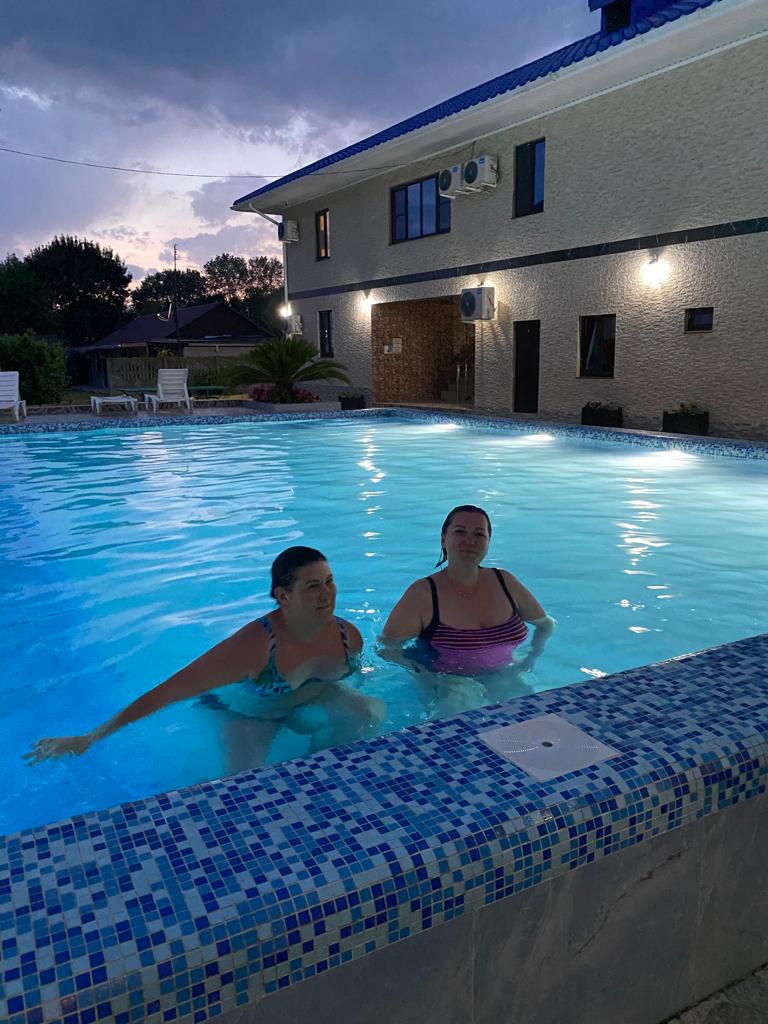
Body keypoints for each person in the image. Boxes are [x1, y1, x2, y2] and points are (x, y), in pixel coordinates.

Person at [24, 546, 384, 770]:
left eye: (329, 581)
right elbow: (169, 691)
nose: (327, 594)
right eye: (312, 586)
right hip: (248, 712)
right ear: (283, 596)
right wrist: (88, 739)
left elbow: (353, 674)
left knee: (367, 711)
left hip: (305, 700)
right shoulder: (255, 646)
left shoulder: (346, 636)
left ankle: (322, 773)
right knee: (245, 783)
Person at [382, 505, 555, 687]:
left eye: (479, 534)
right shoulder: (422, 594)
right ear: (443, 540)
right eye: (460, 532)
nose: (470, 541)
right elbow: (388, 649)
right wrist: (434, 680)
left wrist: (530, 658)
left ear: (488, 542)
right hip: (449, 686)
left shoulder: (505, 582)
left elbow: (546, 625)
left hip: (506, 676)